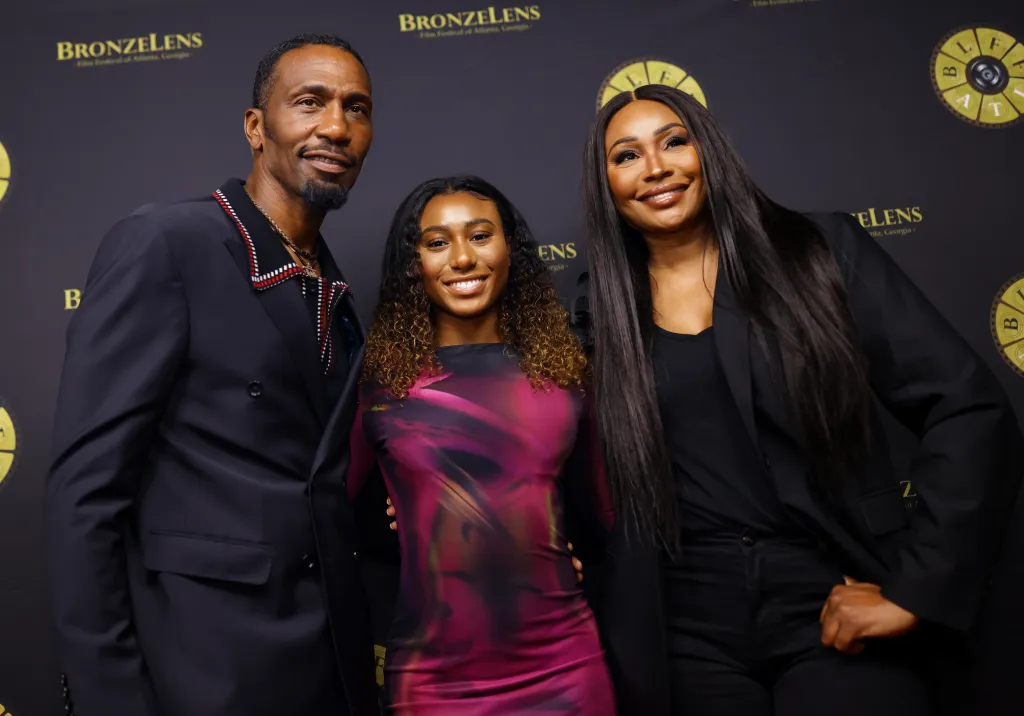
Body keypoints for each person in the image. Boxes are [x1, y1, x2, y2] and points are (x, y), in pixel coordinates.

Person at [577, 84, 1023, 716]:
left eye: (675, 141)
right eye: (625, 156)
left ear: (708, 151)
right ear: (606, 187)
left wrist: (919, 587)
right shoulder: (599, 309)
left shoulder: (817, 252)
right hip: (683, 623)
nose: (655, 169)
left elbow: (969, 408)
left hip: (826, 595)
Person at [46, 34, 380, 716]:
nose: (336, 127)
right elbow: (84, 498)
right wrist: (110, 698)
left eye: (356, 108)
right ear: (256, 127)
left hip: (328, 675)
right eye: (309, 102)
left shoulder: (336, 294)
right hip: (200, 676)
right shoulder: (168, 245)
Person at [346, 175, 617, 715]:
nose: (463, 258)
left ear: (510, 249)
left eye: (480, 235)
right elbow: (332, 515)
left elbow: (605, 519)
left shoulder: (564, 375)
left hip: (564, 667)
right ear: (412, 264)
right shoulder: (381, 386)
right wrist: (419, 520)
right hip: (432, 682)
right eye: (438, 242)